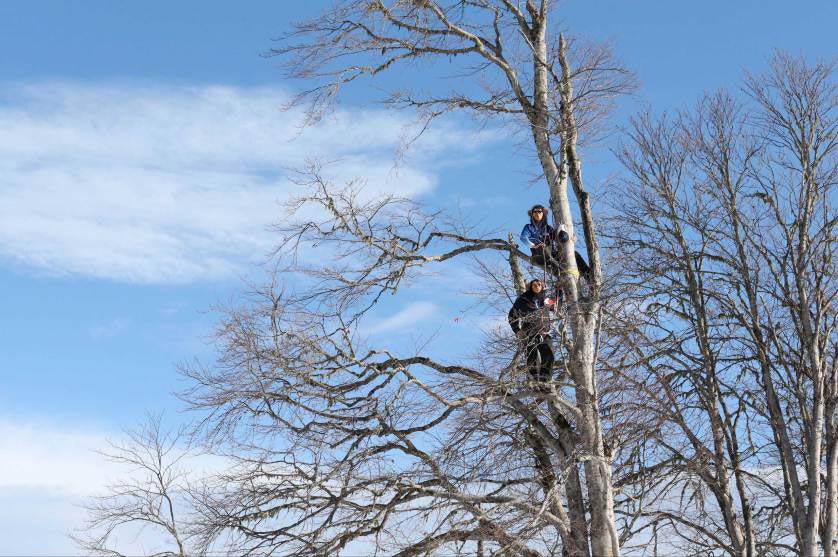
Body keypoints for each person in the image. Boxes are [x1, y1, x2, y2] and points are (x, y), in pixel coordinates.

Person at [519, 204, 592, 283]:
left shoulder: (548, 228)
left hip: (552, 255)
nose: (537, 213)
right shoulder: (529, 227)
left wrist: (571, 238)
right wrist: (534, 245)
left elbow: (558, 239)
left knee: (575, 254)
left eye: (539, 211)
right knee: (542, 246)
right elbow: (523, 238)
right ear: (532, 214)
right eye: (535, 212)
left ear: (543, 213)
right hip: (539, 255)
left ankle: (589, 277)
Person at [508, 279, 556, 383]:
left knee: (548, 355)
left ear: (542, 286)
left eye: (539, 285)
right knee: (532, 355)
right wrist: (517, 330)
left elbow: (557, 307)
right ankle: (533, 380)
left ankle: (545, 381)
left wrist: (558, 290)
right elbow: (512, 315)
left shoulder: (546, 299)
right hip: (530, 332)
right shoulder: (523, 299)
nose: (537, 286)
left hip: (546, 332)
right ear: (530, 286)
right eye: (534, 285)